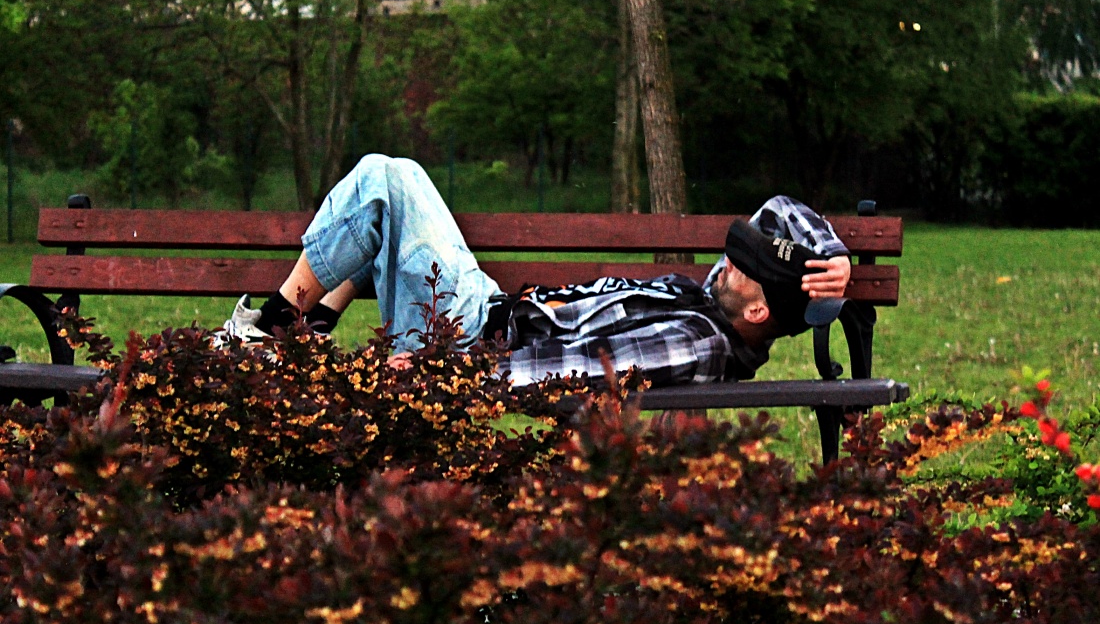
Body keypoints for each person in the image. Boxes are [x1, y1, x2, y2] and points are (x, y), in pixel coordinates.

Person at [218, 154, 851, 387]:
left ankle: (268, 331)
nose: (729, 262)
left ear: (759, 310)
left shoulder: (696, 340)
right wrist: (835, 260)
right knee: (395, 207)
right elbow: (776, 210)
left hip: (466, 341)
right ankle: (304, 331)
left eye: (743, 267)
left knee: (389, 180)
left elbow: (574, 374)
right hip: (485, 309)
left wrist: (446, 374)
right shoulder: (722, 305)